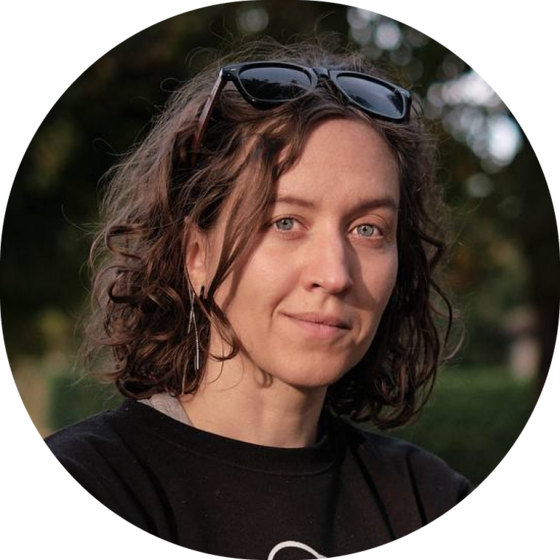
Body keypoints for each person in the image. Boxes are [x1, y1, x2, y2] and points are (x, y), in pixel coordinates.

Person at [43, 37, 471, 557]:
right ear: (196, 255)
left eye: (368, 229)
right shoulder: (98, 483)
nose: (335, 274)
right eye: (285, 222)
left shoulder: (426, 499)